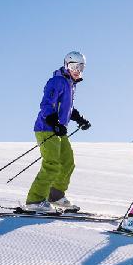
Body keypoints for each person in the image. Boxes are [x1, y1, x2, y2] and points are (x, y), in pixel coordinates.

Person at [24, 51, 91, 214]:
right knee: (52, 164)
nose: (77, 70)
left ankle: (55, 195)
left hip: (60, 130)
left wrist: (79, 119)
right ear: (66, 65)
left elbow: (67, 107)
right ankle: (35, 200)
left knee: (67, 163)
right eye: (74, 66)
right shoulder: (57, 81)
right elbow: (47, 104)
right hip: (46, 128)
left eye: (81, 67)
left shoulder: (70, 84)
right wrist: (54, 122)